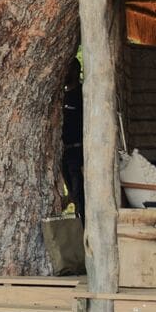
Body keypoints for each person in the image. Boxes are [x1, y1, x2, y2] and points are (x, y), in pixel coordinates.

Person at [61, 67, 86, 220]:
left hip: (78, 151)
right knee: (71, 191)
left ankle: (83, 226)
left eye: (69, 69)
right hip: (65, 151)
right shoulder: (62, 96)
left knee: (79, 193)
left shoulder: (82, 95)